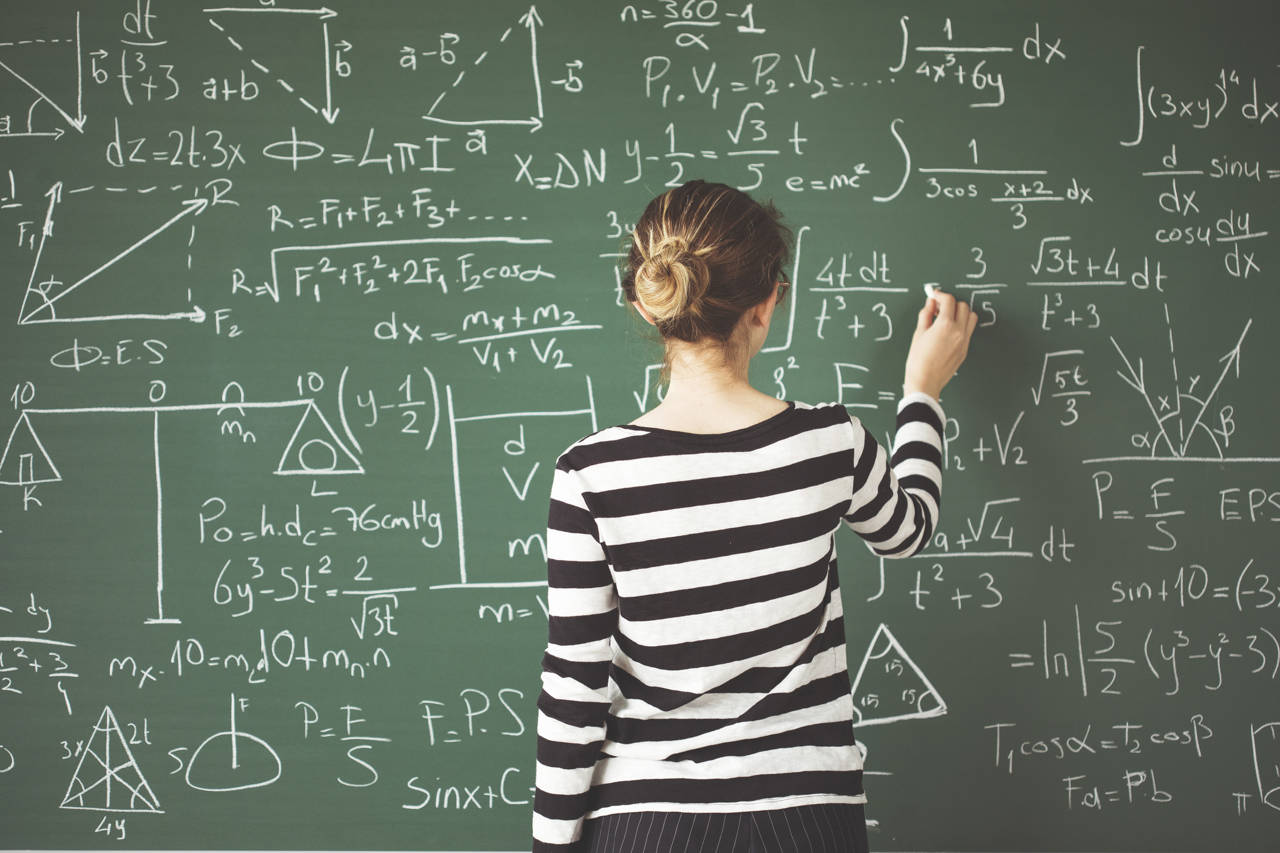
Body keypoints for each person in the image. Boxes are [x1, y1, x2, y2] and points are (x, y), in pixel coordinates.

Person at [532, 180, 976, 852]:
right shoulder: (830, 443)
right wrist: (922, 392)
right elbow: (909, 528)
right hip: (805, 821)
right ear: (766, 305)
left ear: (647, 303)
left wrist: (550, 847)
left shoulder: (591, 474)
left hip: (643, 822)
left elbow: (576, 685)